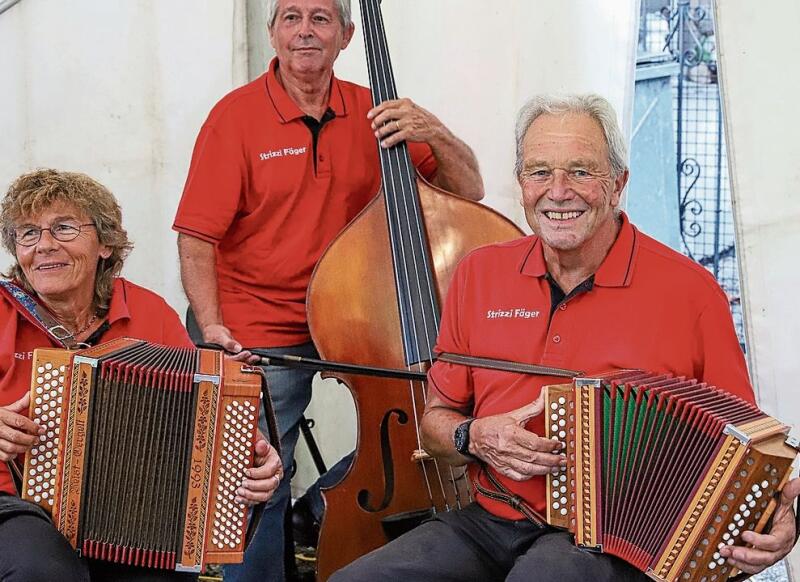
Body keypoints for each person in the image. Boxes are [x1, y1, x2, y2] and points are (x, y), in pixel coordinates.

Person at [331, 94, 800, 581]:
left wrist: (783, 525)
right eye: (539, 172)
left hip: (615, 542)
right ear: (521, 185)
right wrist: (474, 435)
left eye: (580, 171)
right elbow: (435, 426)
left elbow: (748, 453)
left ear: (618, 184)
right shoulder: (479, 274)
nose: (557, 191)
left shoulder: (691, 293)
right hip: (492, 522)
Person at [172, 0, 485, 579]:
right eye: (290, 17)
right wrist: (211, 325)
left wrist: (435, 133)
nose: (305, 31)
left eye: (320, 17)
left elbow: (465, 193)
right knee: (257, 475)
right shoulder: (234, 119)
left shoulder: (374, 112)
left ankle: (317, 507)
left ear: (346, 34)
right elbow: (196, 238)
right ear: (272, 34)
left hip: (357, 322)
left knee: (428, 428)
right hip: (256, 325)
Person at [0, 169, 282, 582]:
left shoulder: (149, 312)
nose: (43, 245)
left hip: (132, 512)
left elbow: (208, 412)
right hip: (11, 502)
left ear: (105, 244)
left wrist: (255, 462)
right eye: (27, 233)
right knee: (43, 572)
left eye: (63, 228)